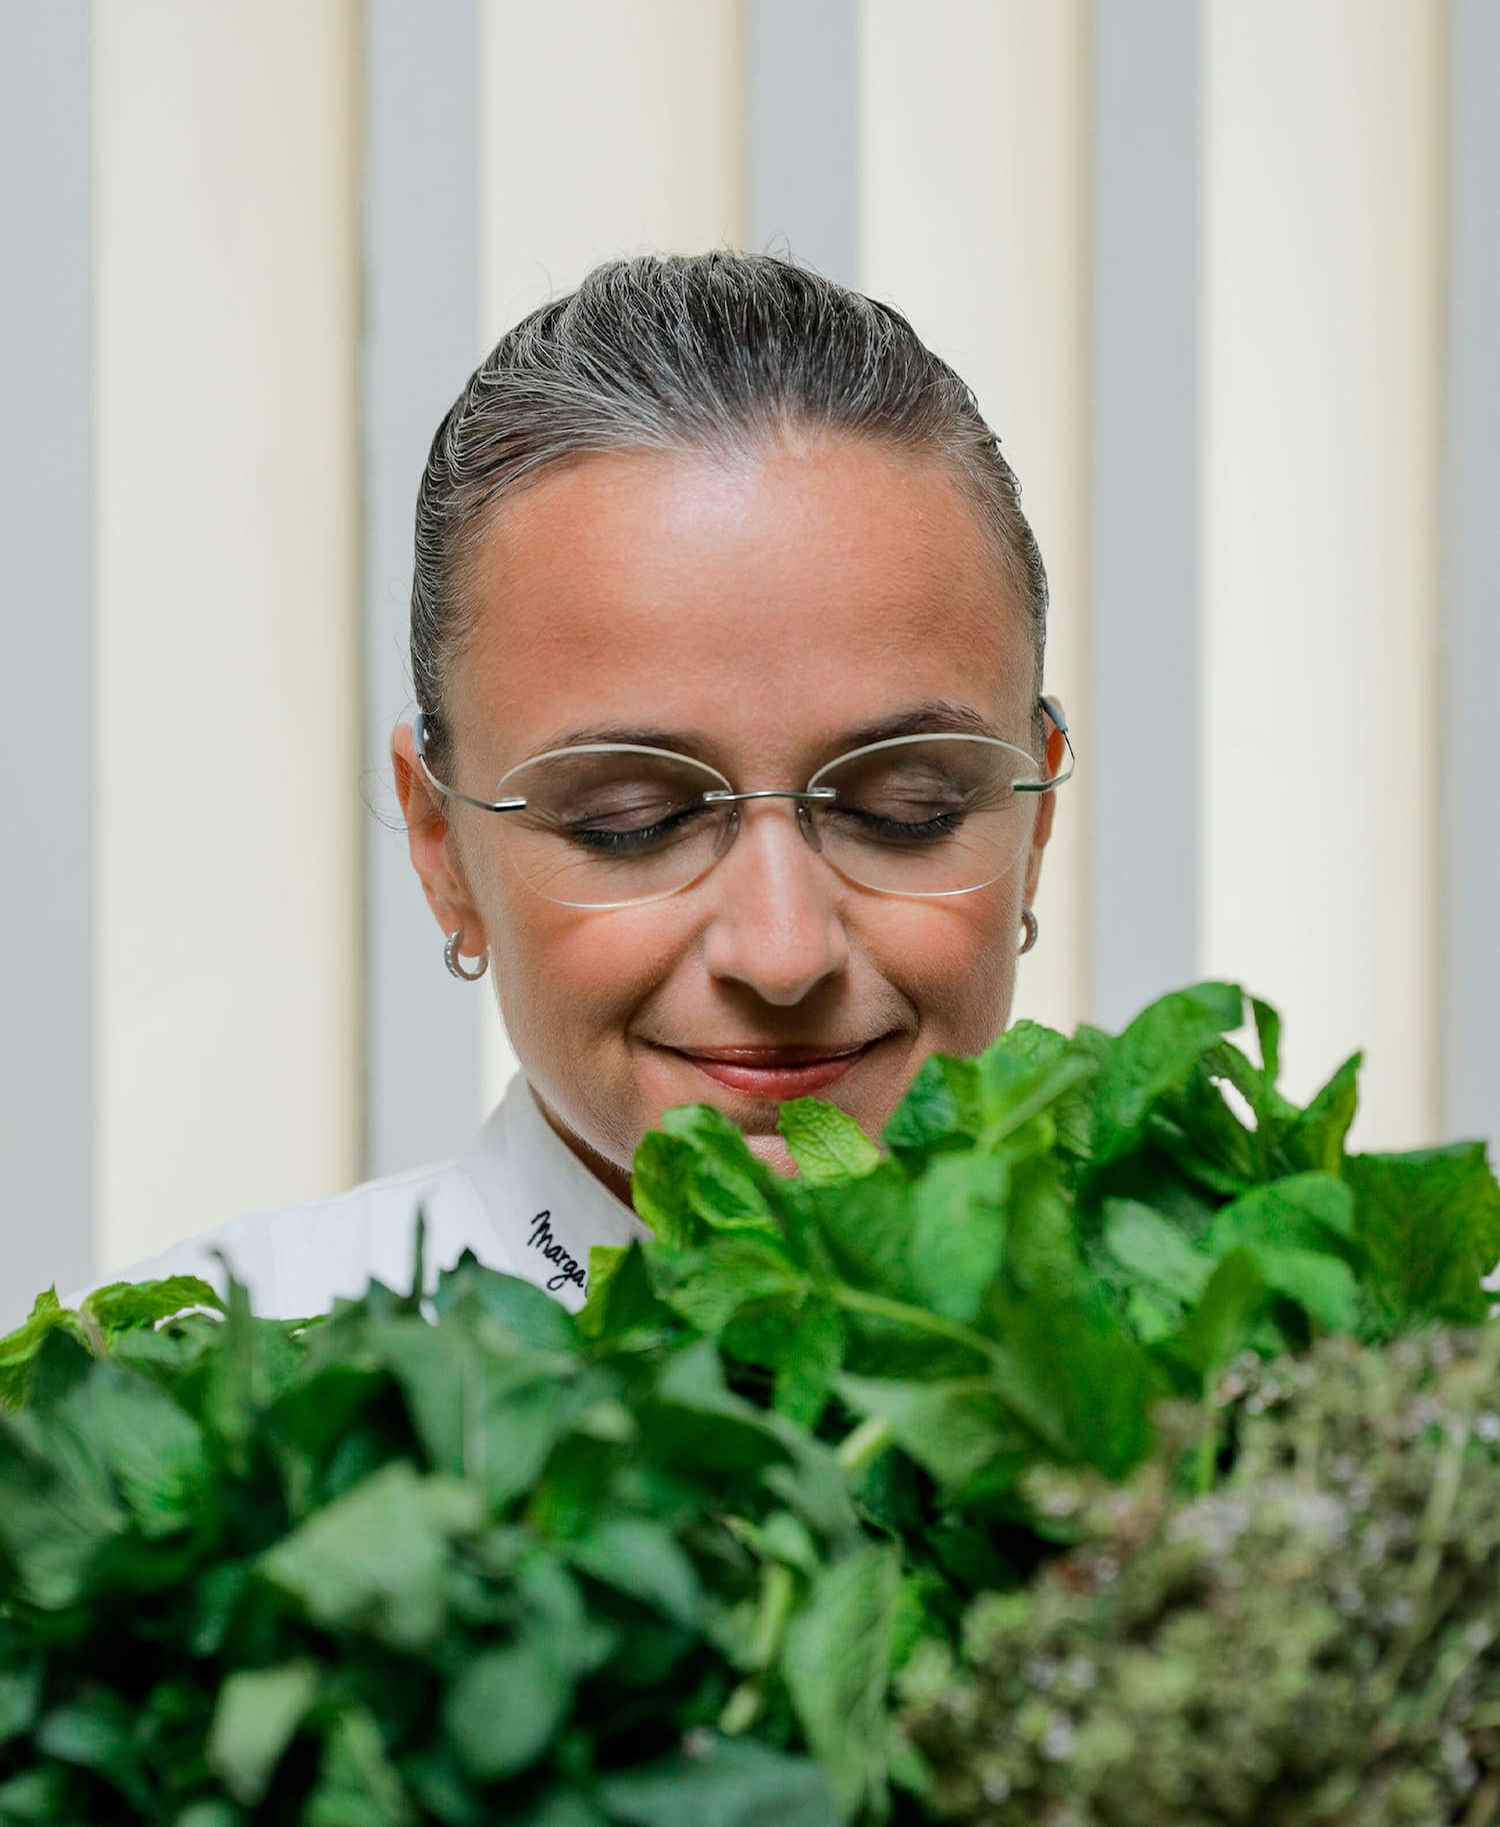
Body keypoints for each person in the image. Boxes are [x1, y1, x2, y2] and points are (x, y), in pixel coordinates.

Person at [79, 252, 1073, 1319]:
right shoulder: (171, 1381)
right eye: (631, 823)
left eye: (904, 808)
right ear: (440, 844)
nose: (783, 954)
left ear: (1037, 823)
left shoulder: (1252, 1366)